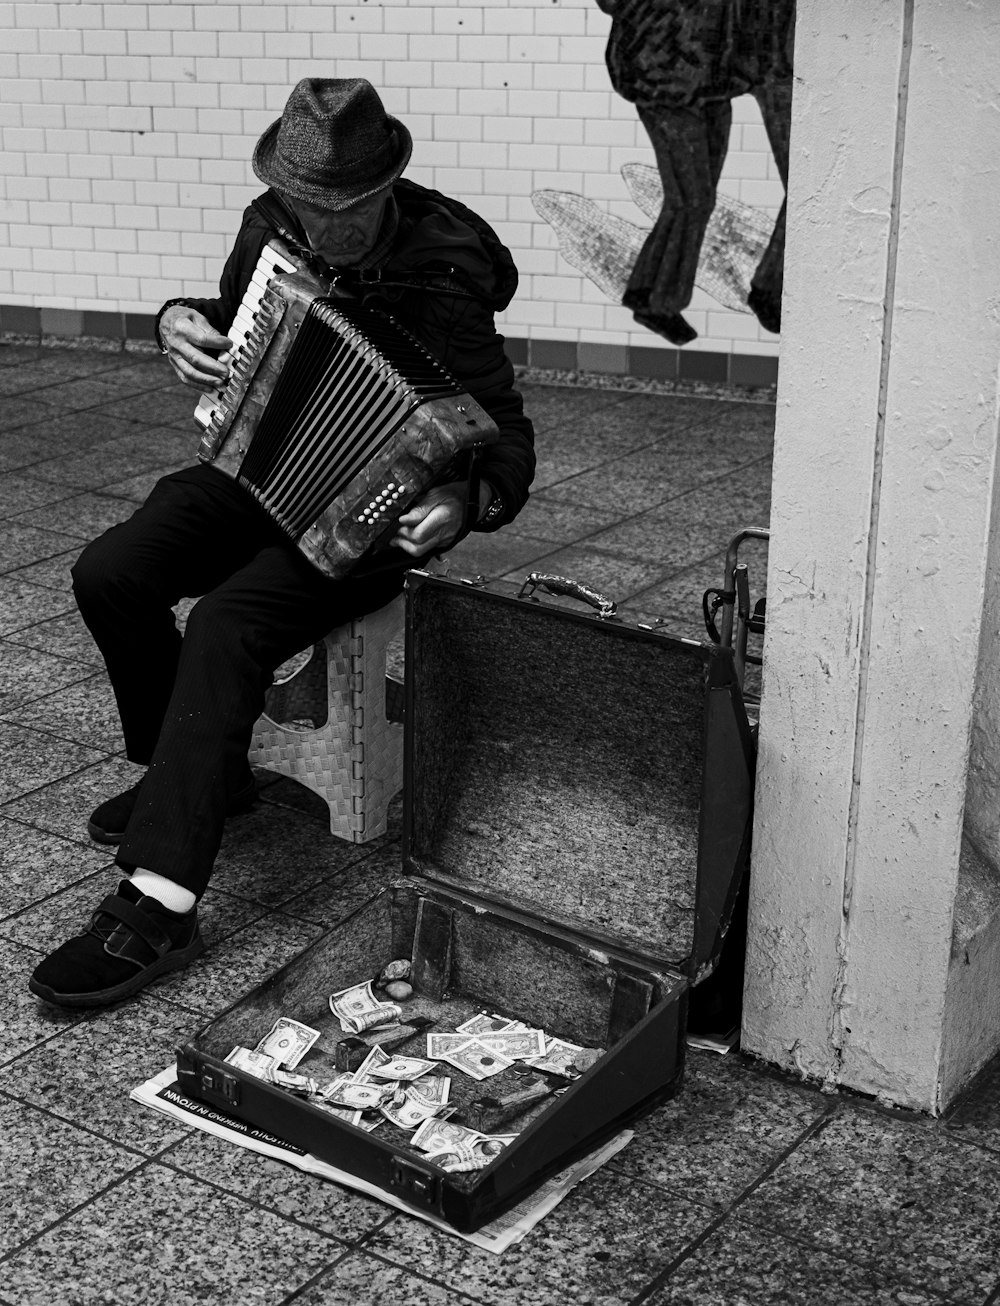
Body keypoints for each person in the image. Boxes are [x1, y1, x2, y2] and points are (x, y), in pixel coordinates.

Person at [29, 78, 535, 1009]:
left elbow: (504, 431)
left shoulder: (447, 265)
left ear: (390, 186)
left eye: (343, 210)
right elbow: (235, 331)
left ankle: (158, 902)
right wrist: (175, 324)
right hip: (257, 473)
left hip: (377, 508)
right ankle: (200, 780)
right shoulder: (269, 225)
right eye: (307, 205)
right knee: (110, 571)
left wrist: (468, 500)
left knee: (229, 619)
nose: (322, 227)